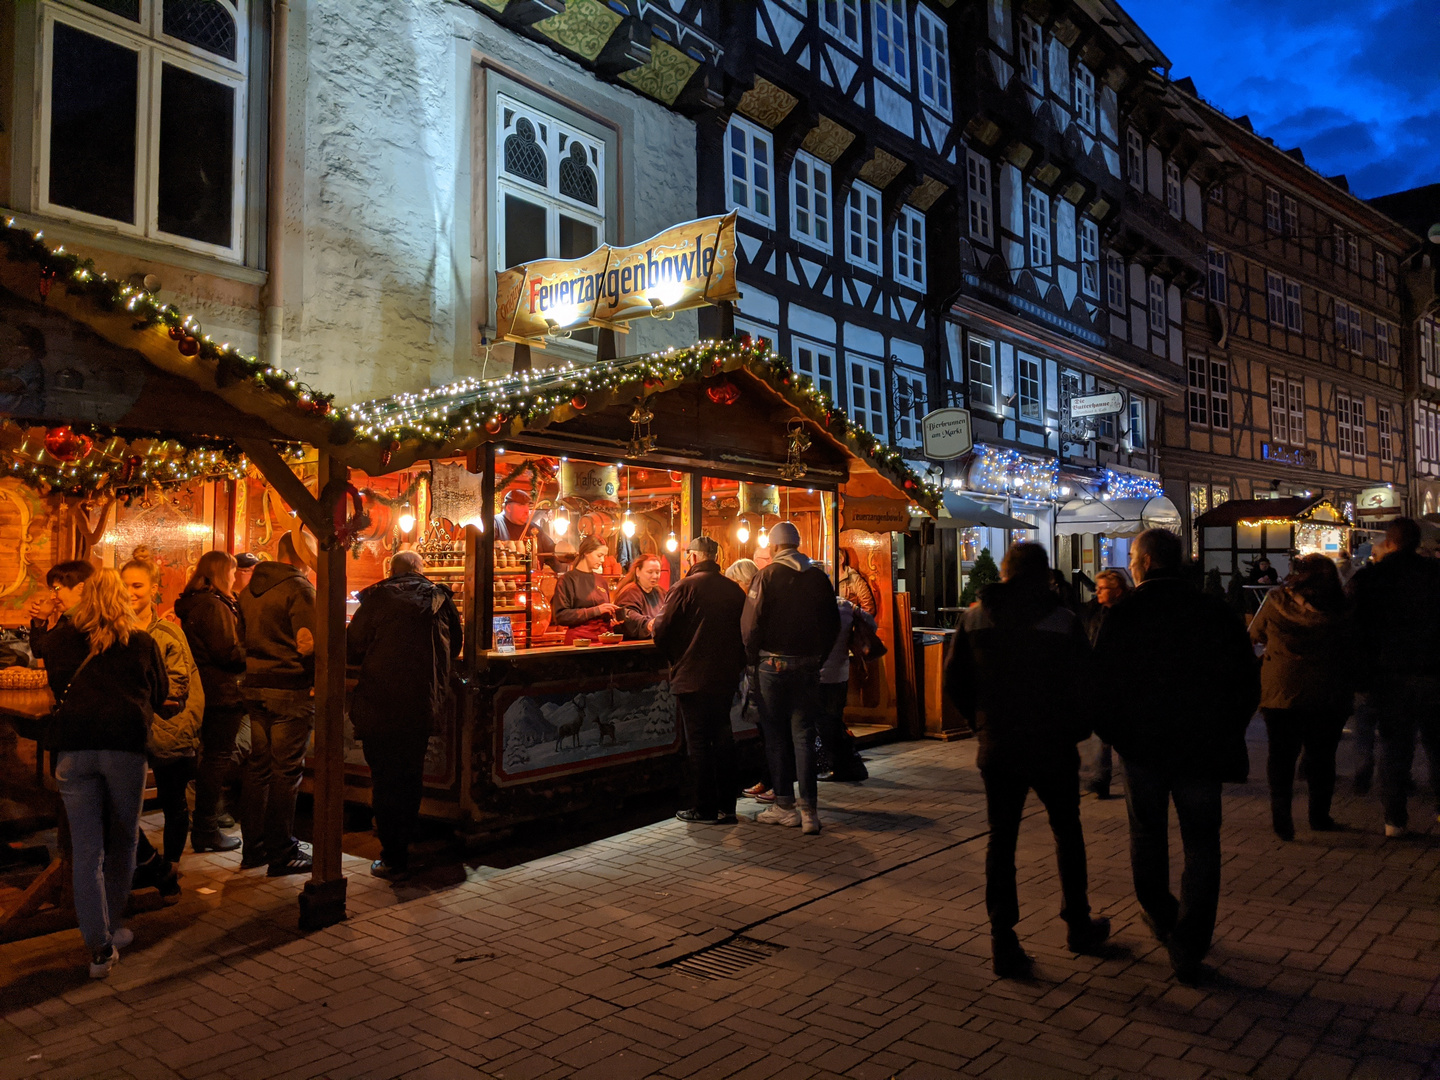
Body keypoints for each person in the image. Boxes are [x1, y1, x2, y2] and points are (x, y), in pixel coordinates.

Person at [1095, 528, 1259, 984]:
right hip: (1202, 747)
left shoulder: (1126, 613)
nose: (1129, 562)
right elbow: (1246, 679)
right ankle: (1190, 942)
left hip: (1143, 747)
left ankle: (1162, 915)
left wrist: (1118, 736)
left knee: (1147, 834)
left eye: (1131, 555)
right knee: (1203, 844)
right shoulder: (1213, 609)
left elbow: (1101, 682)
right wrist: (1228, 729)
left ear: (1146, 562)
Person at [945, 543, 1108, 977]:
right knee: (1067, 833)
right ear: (1043, 576)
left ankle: (1003, 938)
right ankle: (1077, 924)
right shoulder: (1062, 620)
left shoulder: (975, 617)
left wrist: (982, 724)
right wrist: (1075, 730)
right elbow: (1085, 685)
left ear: (1005, 572)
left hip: (998, 746)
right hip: (1052, 745)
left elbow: (955, 681)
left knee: (1002, 840)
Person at [45, 569, 167, 978]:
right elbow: (161, 692)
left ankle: (98, 947)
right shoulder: (141, 642)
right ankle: (111, 928)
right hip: (123, 750)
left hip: (73, 749)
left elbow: (55, 681)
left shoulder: (62, 639)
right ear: (122, 599)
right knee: (123, 842)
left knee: (86, 851)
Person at [347, 551, 462, 879]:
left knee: (383, 778)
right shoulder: (439, 596)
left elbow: (353, 644)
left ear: (391, 570)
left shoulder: (377, 597)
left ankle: (391, 853)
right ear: (420, 570)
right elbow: (455, 644)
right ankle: (405, 849)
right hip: (419, 702)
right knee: (410, 777)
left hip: (379, 701)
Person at [741, 521, 840, 835]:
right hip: (809, 666)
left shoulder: (766, 575)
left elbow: (750, 626)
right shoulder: (819, 578)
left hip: (772, 665)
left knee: (776, 736)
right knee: (804, 737)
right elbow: (833, 624)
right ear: (797, 545)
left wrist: (750, 662)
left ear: (773, 547)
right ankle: (809, 811)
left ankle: (784, 806)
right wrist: (819, 657)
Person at [1249, 555, 1354, 839]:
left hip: (1282, 691)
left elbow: (1255, 634)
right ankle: (1319, 816)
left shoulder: (1275, 601)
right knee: (1322, 757)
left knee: (1281, 756)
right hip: (1328, 691)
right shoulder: (1343, 606)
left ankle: (1282, 819)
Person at [1348, 517, 1440, 837]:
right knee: (1436, 744)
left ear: (1389, 542)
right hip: (1432, 671)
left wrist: (1361, 674)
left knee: (1394, 747)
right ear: (1417, 542)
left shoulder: (1371, 578)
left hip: (1389, 675)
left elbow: (1356, 630)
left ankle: (1394, 819)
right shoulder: (1435, 575)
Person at [236, 533, 317, 876]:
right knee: (286, 770)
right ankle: (281, 850)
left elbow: (240, 641)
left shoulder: (247, 591)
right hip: (289, 689)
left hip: (255, 688)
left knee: (260, 768)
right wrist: (315, 678)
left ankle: (253, 848)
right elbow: (308, 643)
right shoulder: (299, 589)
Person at [652, 536, 746, 825]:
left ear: (693, 557)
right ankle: (728, 807)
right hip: (726, 675)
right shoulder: (734, 590)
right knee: (723, 738)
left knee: (700, 743)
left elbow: (662, 630)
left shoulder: (683, 587)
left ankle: (704, 809)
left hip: (692, 675)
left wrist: (674, 655)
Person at [120, 557, 204, 876]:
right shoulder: (116, 630)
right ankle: (140, 864)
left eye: (137, 585)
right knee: (125, 802)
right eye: (125, 585)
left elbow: (177, 686)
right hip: (131, 729)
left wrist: (130, 692)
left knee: (173, 801)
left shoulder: (168, 633)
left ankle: (171, 865)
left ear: (153, 589)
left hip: (168, 729)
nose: (130, 592)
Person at [175, 551, 248, 852]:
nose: (234, 576)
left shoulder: (196, 603)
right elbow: (227, 653)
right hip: (222, 691)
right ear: (220, 572)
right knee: (217, 759)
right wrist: (254, 647)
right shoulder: (214, 606)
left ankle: (206, 825)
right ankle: (207, 828)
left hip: (208, 689)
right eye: (231, 571)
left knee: (213, 758)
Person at [1079, 569, 1130, 799]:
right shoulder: (1093, 611)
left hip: (1119, 680)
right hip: (1097, 679)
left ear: (1117, 590)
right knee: (1100, 733)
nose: (1097, 591)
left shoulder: (1127, 613)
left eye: (1103, 588)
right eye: (1097, 588)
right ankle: (1100, 778)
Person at [725, 559, 771, 801]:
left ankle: (773, 783)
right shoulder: (748, 603)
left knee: (769, 729)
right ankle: (768, 780)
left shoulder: (754, 603)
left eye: (733, 582)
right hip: (756, 670)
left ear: (743, 582)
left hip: (761, 671)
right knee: (764, 729)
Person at [816, 597, 872, 783]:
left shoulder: (814, 606)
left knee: (826, 725)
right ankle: (848, 765)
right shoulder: (845, 605)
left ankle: (839, 767)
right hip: (840, 673)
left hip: (821, 674)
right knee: (834, 721)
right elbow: (871, 622)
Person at [27, 559, 95, 695]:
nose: (52, 597)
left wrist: (40, 620)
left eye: (57, 589)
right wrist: (39, 620)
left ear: (81, 588)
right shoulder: (67, 618)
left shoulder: (88, 621)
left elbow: (43, 648)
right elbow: (39, 650)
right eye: (51, 590)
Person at [552, 536, 618, 644]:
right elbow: (561, 616)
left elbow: (604, 616)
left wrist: (613, 619)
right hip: (579, 641)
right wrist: (596, 610)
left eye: (604, 556)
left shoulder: (601, 581)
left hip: (603, 639)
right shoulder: (567, 580)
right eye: (599, 555)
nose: (602, 560)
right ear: (586, 552)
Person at [494, 489, 556, 566]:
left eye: (528, 506)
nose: (527, 511)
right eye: (521, 505)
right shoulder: (495, 524)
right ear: (509, 508)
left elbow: (553, 553)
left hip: (533, 576)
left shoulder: (534, 528)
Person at [615, 553, 667, 639]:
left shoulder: (662, 593)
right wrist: (648, 624)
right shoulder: (630, 592)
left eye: (658, 572)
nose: (655, 576)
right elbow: (629, 615)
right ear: (638, 571)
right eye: (650, 572)